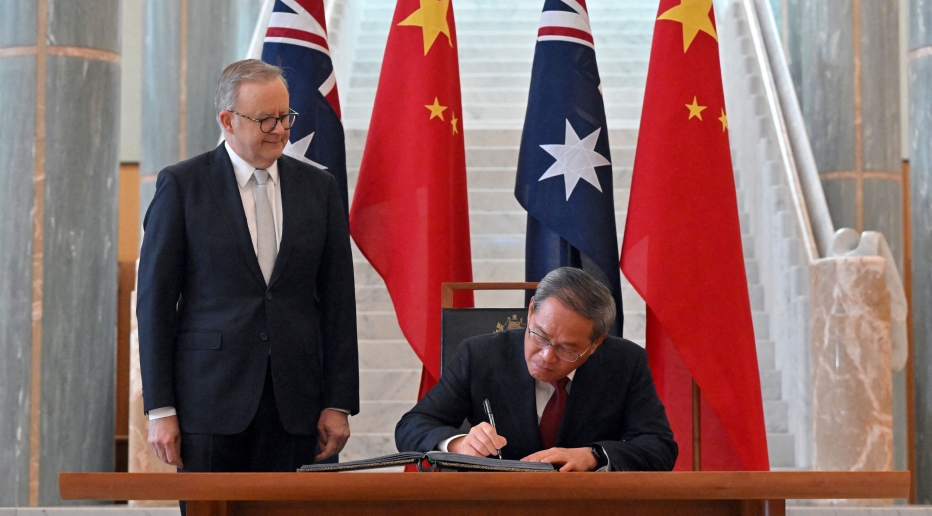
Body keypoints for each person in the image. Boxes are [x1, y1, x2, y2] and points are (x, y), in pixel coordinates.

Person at [137, 59, 358, 473]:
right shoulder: (183, 187)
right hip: (208, 407)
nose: (280, 129)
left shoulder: (319, 188)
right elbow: (156, 305)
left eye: (285, 116)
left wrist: (338, 401)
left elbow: (338, 302)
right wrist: (160, 408)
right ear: (228, 120)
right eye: (266, 119)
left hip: (298, 409)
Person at [395, 267, 678, 471]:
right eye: (540, 335)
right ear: (531, 311)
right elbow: (411, 426)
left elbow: (660, 447)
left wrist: (594, 455)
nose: (545, 356)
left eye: (566, 348)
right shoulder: (480, 355)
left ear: (595, 343)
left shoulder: (625, 363)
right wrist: (459, 444)